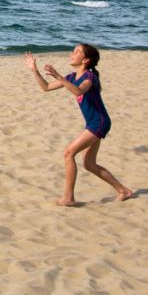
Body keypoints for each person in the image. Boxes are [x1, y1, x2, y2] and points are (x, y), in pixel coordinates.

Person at [24, 43, 134, 207]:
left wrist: (59, 77)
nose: (72, 53)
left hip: (99, 122)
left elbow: (79, 91)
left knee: (68, 153)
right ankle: (123, 191)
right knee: (89, 164)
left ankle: (68, 198)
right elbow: (45, 87)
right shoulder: (71, 77)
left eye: (77, 52)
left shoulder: (90, 77)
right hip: (94, 122)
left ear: (85, 60)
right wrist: (34, 70)